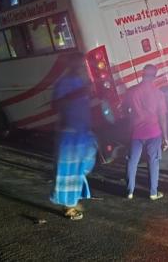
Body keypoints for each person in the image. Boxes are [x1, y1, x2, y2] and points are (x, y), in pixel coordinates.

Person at [49, 53, 97, 221]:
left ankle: (73, 199)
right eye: (80, 65)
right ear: (72, 65)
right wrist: (78, 93)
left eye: (83, 65)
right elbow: (56, 105)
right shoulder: (63, 83)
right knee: (69, 171)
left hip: (83, 132)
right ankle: (69, 207)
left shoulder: (80, 82)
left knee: (83, 167)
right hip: (69, 135)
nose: (83, 68)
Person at [124, 64, 168, 201]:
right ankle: (153, 193)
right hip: (154, 132)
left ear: (142, 73)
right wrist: (166, 137)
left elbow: (125, 110)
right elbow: (162, 117)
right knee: (153, 162)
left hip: (136, 132)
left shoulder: (132, 92)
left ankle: (130, 191)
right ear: (155, 76)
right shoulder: (159, 94)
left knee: (132, 162)